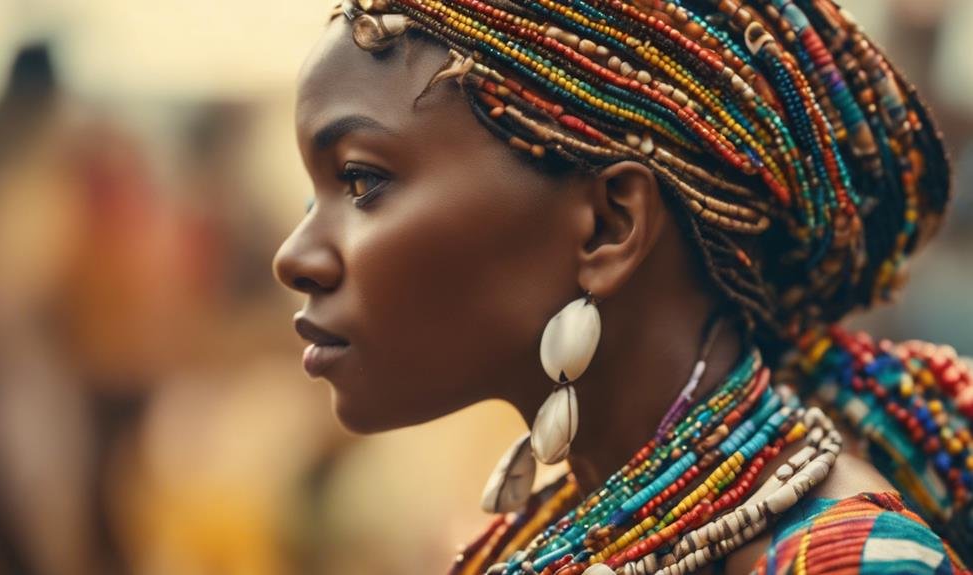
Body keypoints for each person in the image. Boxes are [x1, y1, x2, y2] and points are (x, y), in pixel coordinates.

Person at [273, 1, 972, 573]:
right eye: (314, 197)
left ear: (609, 226)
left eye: (361, 180)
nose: (294, 256)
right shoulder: (535, 540)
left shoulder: (855, 562)